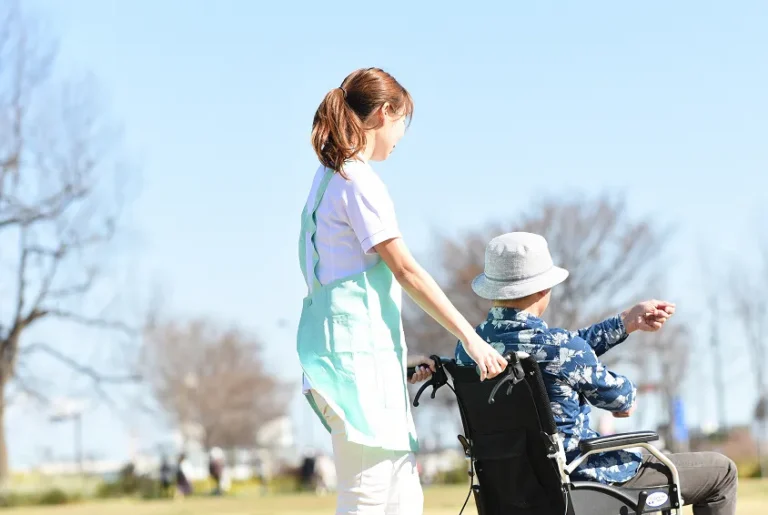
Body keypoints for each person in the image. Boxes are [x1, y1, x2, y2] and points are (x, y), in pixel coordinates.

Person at [297, 67, 508, 515]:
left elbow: (345, 285)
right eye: (402, 122)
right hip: (355, 371)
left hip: (348, 362)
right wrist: (472, 338)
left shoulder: (327, 180)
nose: (400, 137)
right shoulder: (358, 181)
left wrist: (399, 364)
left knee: (403, 498)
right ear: (384, 112)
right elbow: (407, 272)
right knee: (371, 499)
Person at [455, 231, 738, 515]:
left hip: (511, 487)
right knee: (722, 473)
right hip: (583, 480)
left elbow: (564, 351)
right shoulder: (561, 349)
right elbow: (622, 400)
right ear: (544, 289)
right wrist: (628, 397)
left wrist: (625, 322)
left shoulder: (468, 350)